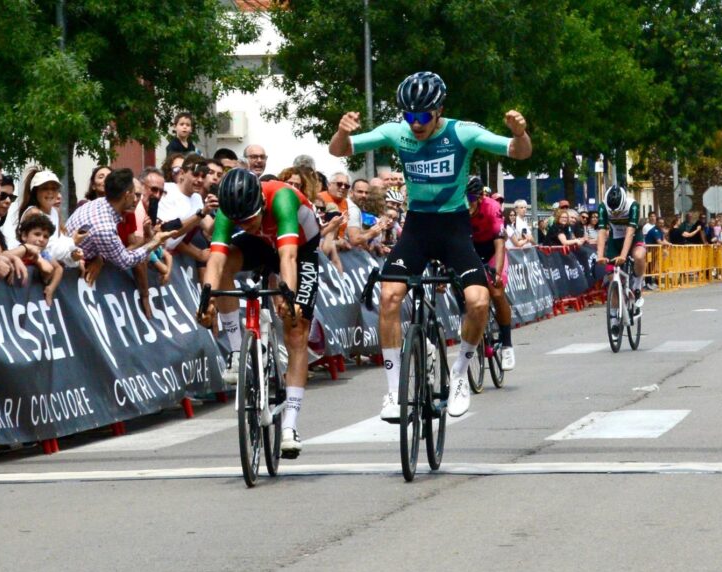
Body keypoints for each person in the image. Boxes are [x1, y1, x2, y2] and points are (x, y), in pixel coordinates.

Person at [328, 70, 531, 419]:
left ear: (439, 111)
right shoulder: (398, 131)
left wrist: (520, 133)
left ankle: (460, 374)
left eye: (423, 116)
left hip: (454, 228)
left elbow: (519, 152)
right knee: (389, 297)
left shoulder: (462, 132)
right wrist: (343, 132)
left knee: (478, 302)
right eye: (409, 116)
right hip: (418, 228)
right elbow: (339, 150)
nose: (416, 124)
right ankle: (393, 391)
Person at [197, 169, 321, 457]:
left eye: (249, 219)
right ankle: (237, 351)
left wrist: (288, 297)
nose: (245, 225)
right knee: (225, 267)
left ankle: (289, 425)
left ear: (262, 204)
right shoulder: (230, 211)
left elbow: (288, 257)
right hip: (263, 245)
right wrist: (207, 301)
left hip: (300, 247)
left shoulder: (283, 199)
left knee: (296, 330)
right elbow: (215, 260)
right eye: (239, 222)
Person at [65, 168, 174, 282]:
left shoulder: (100, 203)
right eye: (135, 194)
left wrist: (100, 258)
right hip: (69, 275)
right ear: (127, 195)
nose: (136, 199)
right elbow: (126, 261)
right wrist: (155, 241)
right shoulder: (105, 228)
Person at [467, 176, 516, 370]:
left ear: (480, 198)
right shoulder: (458, 208)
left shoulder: (492, 207)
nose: (467, 203)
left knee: (496, 292)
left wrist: (497, 272)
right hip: (470, 249)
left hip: (492, 250)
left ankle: (507, 345)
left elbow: (500, 243)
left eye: (471, 199)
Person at [596, 185, 646, 306]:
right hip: (615, 239)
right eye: (613, 212)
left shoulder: (633, 205)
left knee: (639, 256)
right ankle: (614, 313)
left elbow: (630, 232)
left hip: (634, 236)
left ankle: (637, 285)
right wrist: (600, 255)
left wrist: (623, 255)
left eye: (618, 211)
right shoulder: (602, 207)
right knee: (612, 278)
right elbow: (602, 231)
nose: (615, 214)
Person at [17, 214, 63, 306]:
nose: (41, 239)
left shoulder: (44, 253)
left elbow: (58, 268)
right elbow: (48, 269)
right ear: (24, 236)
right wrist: (39, 261)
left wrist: (50, 288)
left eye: (46, 236)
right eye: (37, 234)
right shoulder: (20, 251)